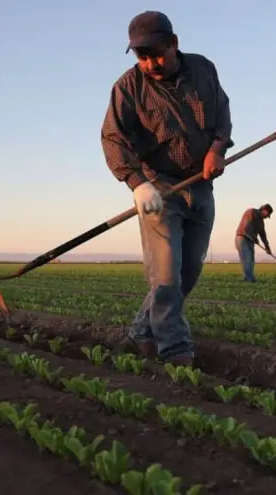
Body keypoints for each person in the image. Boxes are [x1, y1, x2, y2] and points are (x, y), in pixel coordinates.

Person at [101, 11, 233, 367]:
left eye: (156, 53)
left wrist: (217, 149)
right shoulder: (128, 87)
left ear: (174, 44)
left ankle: (143, 331)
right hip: (157, 186)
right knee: (165, 272)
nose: (150, 63)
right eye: (142, 57)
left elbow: (222, 112)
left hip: (200, 184)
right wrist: (137, 184)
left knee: (188, 270)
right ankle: (174, 349)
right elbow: (112, 138)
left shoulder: (203, 69)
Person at [235, 204, 273, 282]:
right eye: (267, 214)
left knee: (251, 261)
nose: (266, 217)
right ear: (264, 210)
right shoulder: (251, 212)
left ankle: (247, 278)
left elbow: (263, 235)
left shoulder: (261, 222)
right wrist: (255, 238)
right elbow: (248, 226)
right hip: (242, 238)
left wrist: (267, 247)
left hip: (250, 240)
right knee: (247, 260)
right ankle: (250, 280)